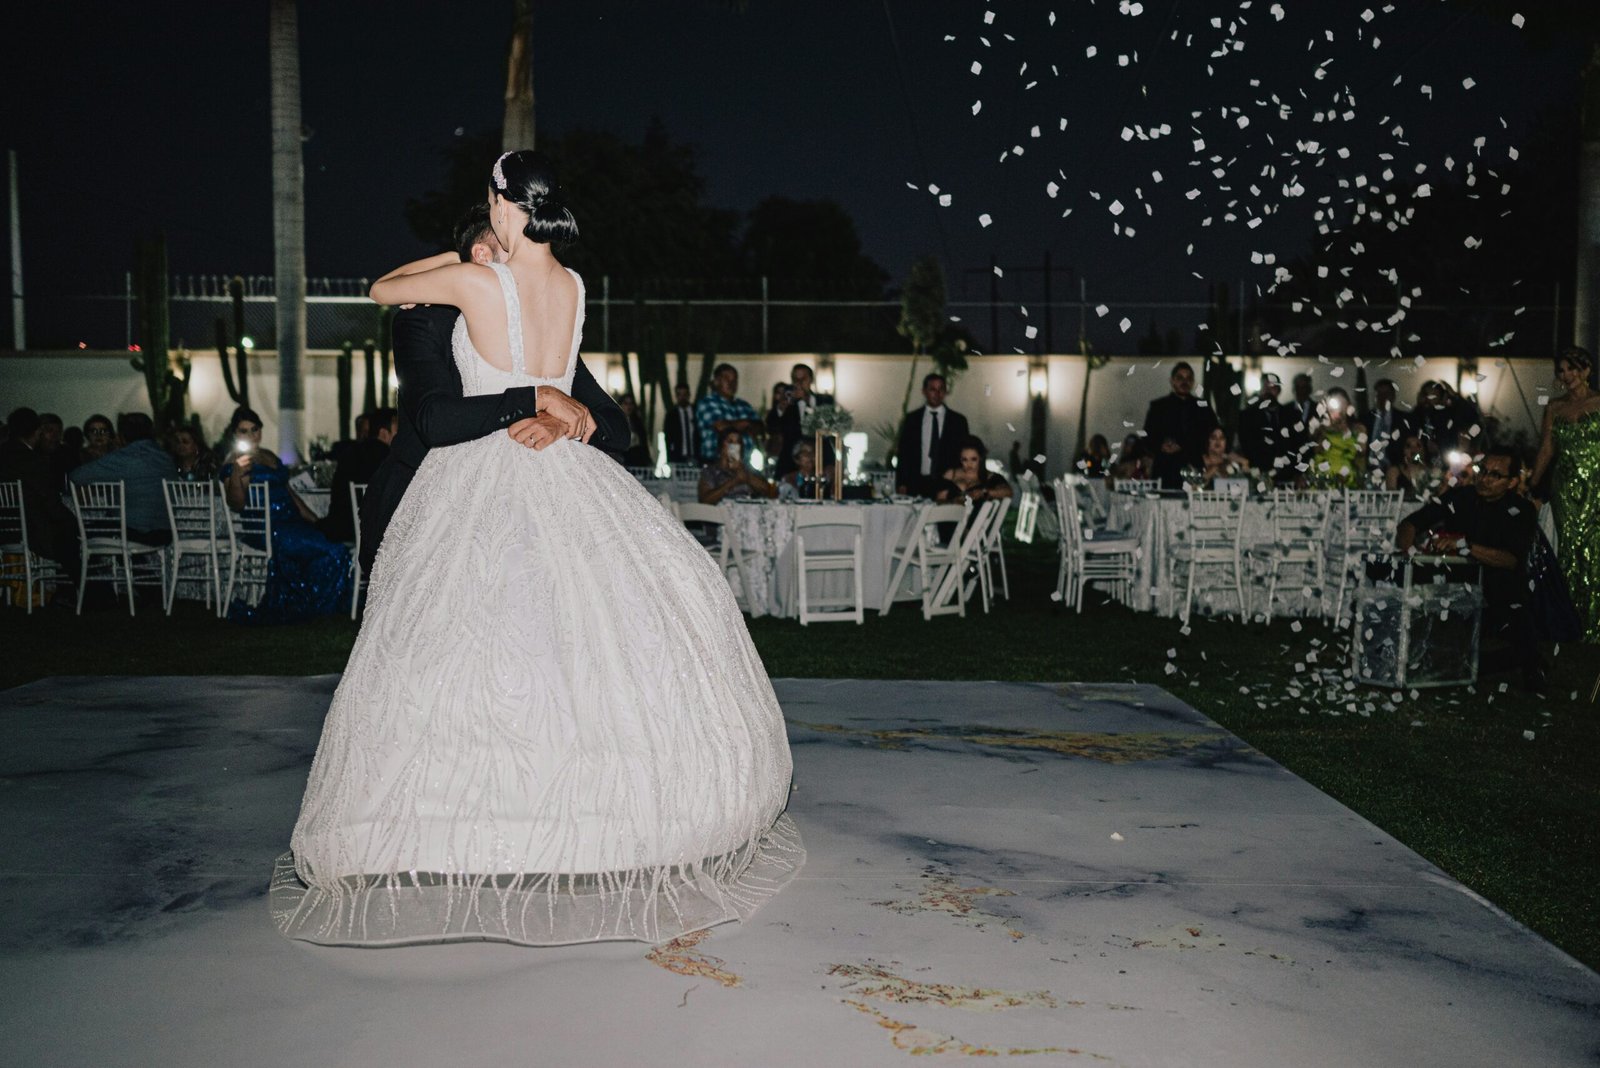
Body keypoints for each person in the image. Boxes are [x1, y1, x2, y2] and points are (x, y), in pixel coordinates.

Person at [271, 151, 801, 948]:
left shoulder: (478, 284)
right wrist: (556, 409)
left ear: (504, 203)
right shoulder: (577, 286)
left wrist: (468, 259)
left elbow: (382, 290)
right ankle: (616, 818)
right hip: (562, 472)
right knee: (590, 633)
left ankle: (458, 827)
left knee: (475, 632)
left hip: (484, 473)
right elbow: (562, 378)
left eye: (491, 200)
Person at [356, 201, 625, 577]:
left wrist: (560, 423)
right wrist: (538, 399)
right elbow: (435, 420)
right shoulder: (423, 319)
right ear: (482, 257)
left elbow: (616, 426)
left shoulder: (536, 335)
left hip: (516, 516)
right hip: (417, 511)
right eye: (517, 254)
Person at [1397, 448, 1542, 689]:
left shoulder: (1521, 510)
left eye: (1495, 475)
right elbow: (1410, 523)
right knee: (1453, 658)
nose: (1484, 479)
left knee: (1505, 645)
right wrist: (1407, 554)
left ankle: (1524, 661)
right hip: (1456, 588)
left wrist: (1465, 546)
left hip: (1501, 593)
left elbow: (1511, 560)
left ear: (1512, 482)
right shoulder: (1460, 497)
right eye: (1482, 471)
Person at [219, 407, 351, 623]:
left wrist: (316, 521)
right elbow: (236, 502)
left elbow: (289, 493)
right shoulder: (235, 462)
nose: (251, 436)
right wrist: (236, 473)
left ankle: (316, 603)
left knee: (333, 542)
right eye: (244, 431)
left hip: (292, 523)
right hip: (267, 529)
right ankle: (314, 607)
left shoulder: (268, 455)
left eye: (255, 430)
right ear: (235, 434)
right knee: (333, 550)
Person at [1529, 346, 1600, 642]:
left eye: (1572, 368)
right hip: (1565, 487)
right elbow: (1547, 448)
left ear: (1586, 370)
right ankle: (1568, 622)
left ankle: (1594, 620)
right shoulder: (1554, 408)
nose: (1566, 375)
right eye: (1561, 370)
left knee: (1595, 549)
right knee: (1569, 548)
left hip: (1596, 486)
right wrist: (1532, 484)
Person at [68, 412, 178, 546]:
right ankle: (135, 564)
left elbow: (77, 477)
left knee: (74, 531)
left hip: (132, 532)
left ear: (122, 436)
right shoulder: (166, 457)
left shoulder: (122, 457)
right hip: (166, 533)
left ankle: (93, 567)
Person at [0, 406, 78, 580]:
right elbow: (48, 500)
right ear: (37, 432)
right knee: (70, 534)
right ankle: (83, 591)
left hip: (5, 528)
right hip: (30, 530)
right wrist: (73, 520)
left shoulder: (4, 453)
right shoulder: (32, 460)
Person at [317, 406, 395, 544]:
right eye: (398, 432)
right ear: (384, 433)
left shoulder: (349, 454)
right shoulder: (390, 460)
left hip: (341, 526)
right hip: (370, 533)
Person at [1142, 361, 1218, 490]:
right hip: (1165, 469)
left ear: (1193, 382)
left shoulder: (1203, 407)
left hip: (1194, 468)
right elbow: (1147, 436)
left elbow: (1209, 435)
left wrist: (1182, 445)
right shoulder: (1158, 406)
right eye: (1180, 378)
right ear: (1172, 381)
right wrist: (1161, 445)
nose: (1185, 382)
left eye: (1188, 378)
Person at [895, 372, 969, 497]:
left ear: (945, 392)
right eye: (932, 389)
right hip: (916, 483)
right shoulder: (912, 419)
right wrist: (902, 483)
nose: (937, 394)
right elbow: (904, 453)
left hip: (947, 485)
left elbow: (964, 453)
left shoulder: (958, 421)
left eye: (941, 389)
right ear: (924, 391)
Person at [695, 363, 762, 463]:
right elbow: (721, 427)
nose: (731, 384)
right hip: (716, 463)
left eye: (734, 380)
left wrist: (733, 425)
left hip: (745, 464)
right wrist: (746, 424)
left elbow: (760, 427)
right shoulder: (707, 402)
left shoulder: (744, 405)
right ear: (717, 381)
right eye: (727, 379)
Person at [776, 363, 834, 477]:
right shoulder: (787, 403)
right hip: (791, 463)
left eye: (803, 378)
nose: (799, 383)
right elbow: (772, 425)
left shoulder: (825, 400)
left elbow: (829, 426)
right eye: (795, 379)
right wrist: (782, 407)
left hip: (821, 460)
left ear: (811, 380)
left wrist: (806, 400)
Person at [699, 425, 777, 504]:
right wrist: (734, 481)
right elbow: (705, 500)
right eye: (730, 442)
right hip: (721, 513)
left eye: (738, 442)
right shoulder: (711, 472)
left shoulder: (750, 470)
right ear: (721, 447)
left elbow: (772, 494)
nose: (735, 446)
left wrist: (746, 477)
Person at [1312, 387, 1367, 488]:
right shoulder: (1321, 428)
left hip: (1348, 478)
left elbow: (1361, 455)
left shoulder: (1358, 429)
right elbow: (1316, 452)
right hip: (1324, 478)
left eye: (1342, 403)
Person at [935, 436, 1013, 504]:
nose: (969, 464)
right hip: (950, 516)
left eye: (973, 459)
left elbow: (1008, 492)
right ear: (960, 459)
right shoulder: (951, 474)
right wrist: (955, 502)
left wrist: (984, 492)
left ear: (980, 458)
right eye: (964, 460)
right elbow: (940, 499)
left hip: (978, 519)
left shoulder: (991, 477)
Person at [1237, 373, 1288, 476]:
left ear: (1278, 390)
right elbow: (1246, 445)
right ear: (1260, 390)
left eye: (1272, 387)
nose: (1268, 391)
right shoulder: (1247, 416)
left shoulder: (1290, 414)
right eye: (1265, 387)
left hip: (1286, 473)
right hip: (1257, 472)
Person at [1362, 378, 1404, 473]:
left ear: (1393, 396)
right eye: (1379, 394)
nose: (1383, 397)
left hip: (1393, 469)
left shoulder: (1402, 419)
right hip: (1368, 468)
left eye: (1386, 394)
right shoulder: (1365, 418)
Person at [1385, 433, 1438, 501]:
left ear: (1424, 450)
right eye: (1408, 446)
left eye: (1418, 446)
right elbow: (1391, 496)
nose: (1413, 450)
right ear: (1403, 450)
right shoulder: (1394, 471)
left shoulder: (1432, 471)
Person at [663, 383, 698, 465]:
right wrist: (670, 459)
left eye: (685, 394)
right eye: (679, 394)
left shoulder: (696, 411)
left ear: (689, 395)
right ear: (676, 396)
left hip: (696, 456)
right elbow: (668, 439)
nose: (682, 397)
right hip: (678, 457)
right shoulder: (671, 415)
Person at [617, 392, 653, 468]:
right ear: (621, 405)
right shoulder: (617, 422)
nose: (629, 406)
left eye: (631, 404)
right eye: (626, 403)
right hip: (623, 459)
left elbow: (643, 443)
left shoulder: (638, 422)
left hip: (637, 460)